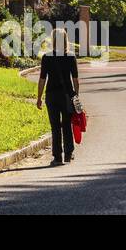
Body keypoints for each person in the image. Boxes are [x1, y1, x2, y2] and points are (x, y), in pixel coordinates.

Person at [37, 26, 79, 166]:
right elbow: (75, 80)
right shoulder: (71, 56)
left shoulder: (47, 57)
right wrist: (76, 96)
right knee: (67, 124)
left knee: (55, 126)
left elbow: (42, 79)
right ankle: (68, 153)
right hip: (67, 95)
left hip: (51, 95)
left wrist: (39, 97)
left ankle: (57, 156)